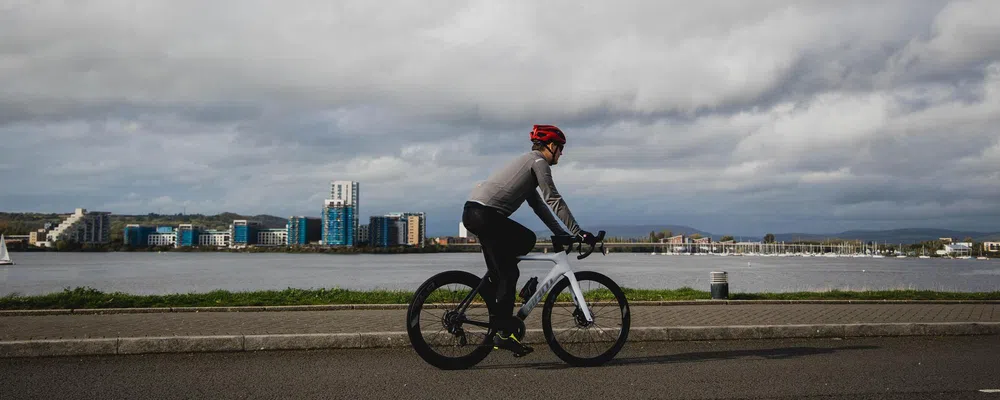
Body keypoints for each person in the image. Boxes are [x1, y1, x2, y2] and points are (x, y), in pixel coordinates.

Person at [462, 124, 594, 357]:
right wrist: (578, 231)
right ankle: (503, 333)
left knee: (503, 272)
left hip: (475, 213)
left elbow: (540, 207)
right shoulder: (538, 163)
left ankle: (498, 312)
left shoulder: (528, 166)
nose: (561, 154)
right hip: (485, 215)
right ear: (551, 146)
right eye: (560, 149)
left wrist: (562, 233)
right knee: (523, 246)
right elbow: (553, 198)